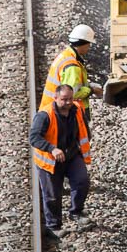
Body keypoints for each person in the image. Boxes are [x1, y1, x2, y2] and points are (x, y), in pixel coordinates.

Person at [30, 84, 92, 237]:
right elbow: (34, 137)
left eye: (70, 98)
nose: (68, 102)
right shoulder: (45, 115)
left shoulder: (77, 109)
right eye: (64, 99)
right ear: (55, 98)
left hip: (71, 155)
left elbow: (84, 128)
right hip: (50, 161)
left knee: (82, 181)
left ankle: (76, 212)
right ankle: (53, 226)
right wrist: (52, 149)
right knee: (52, 195)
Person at [41, 24, 96, 110]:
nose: (89, 47)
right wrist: (92, 90)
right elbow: (73, 93)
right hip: (59, 111)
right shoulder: (72, 66)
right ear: (83, 43)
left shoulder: (65, 55)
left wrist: (88, 86)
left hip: (52, 108)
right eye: (89, 44)